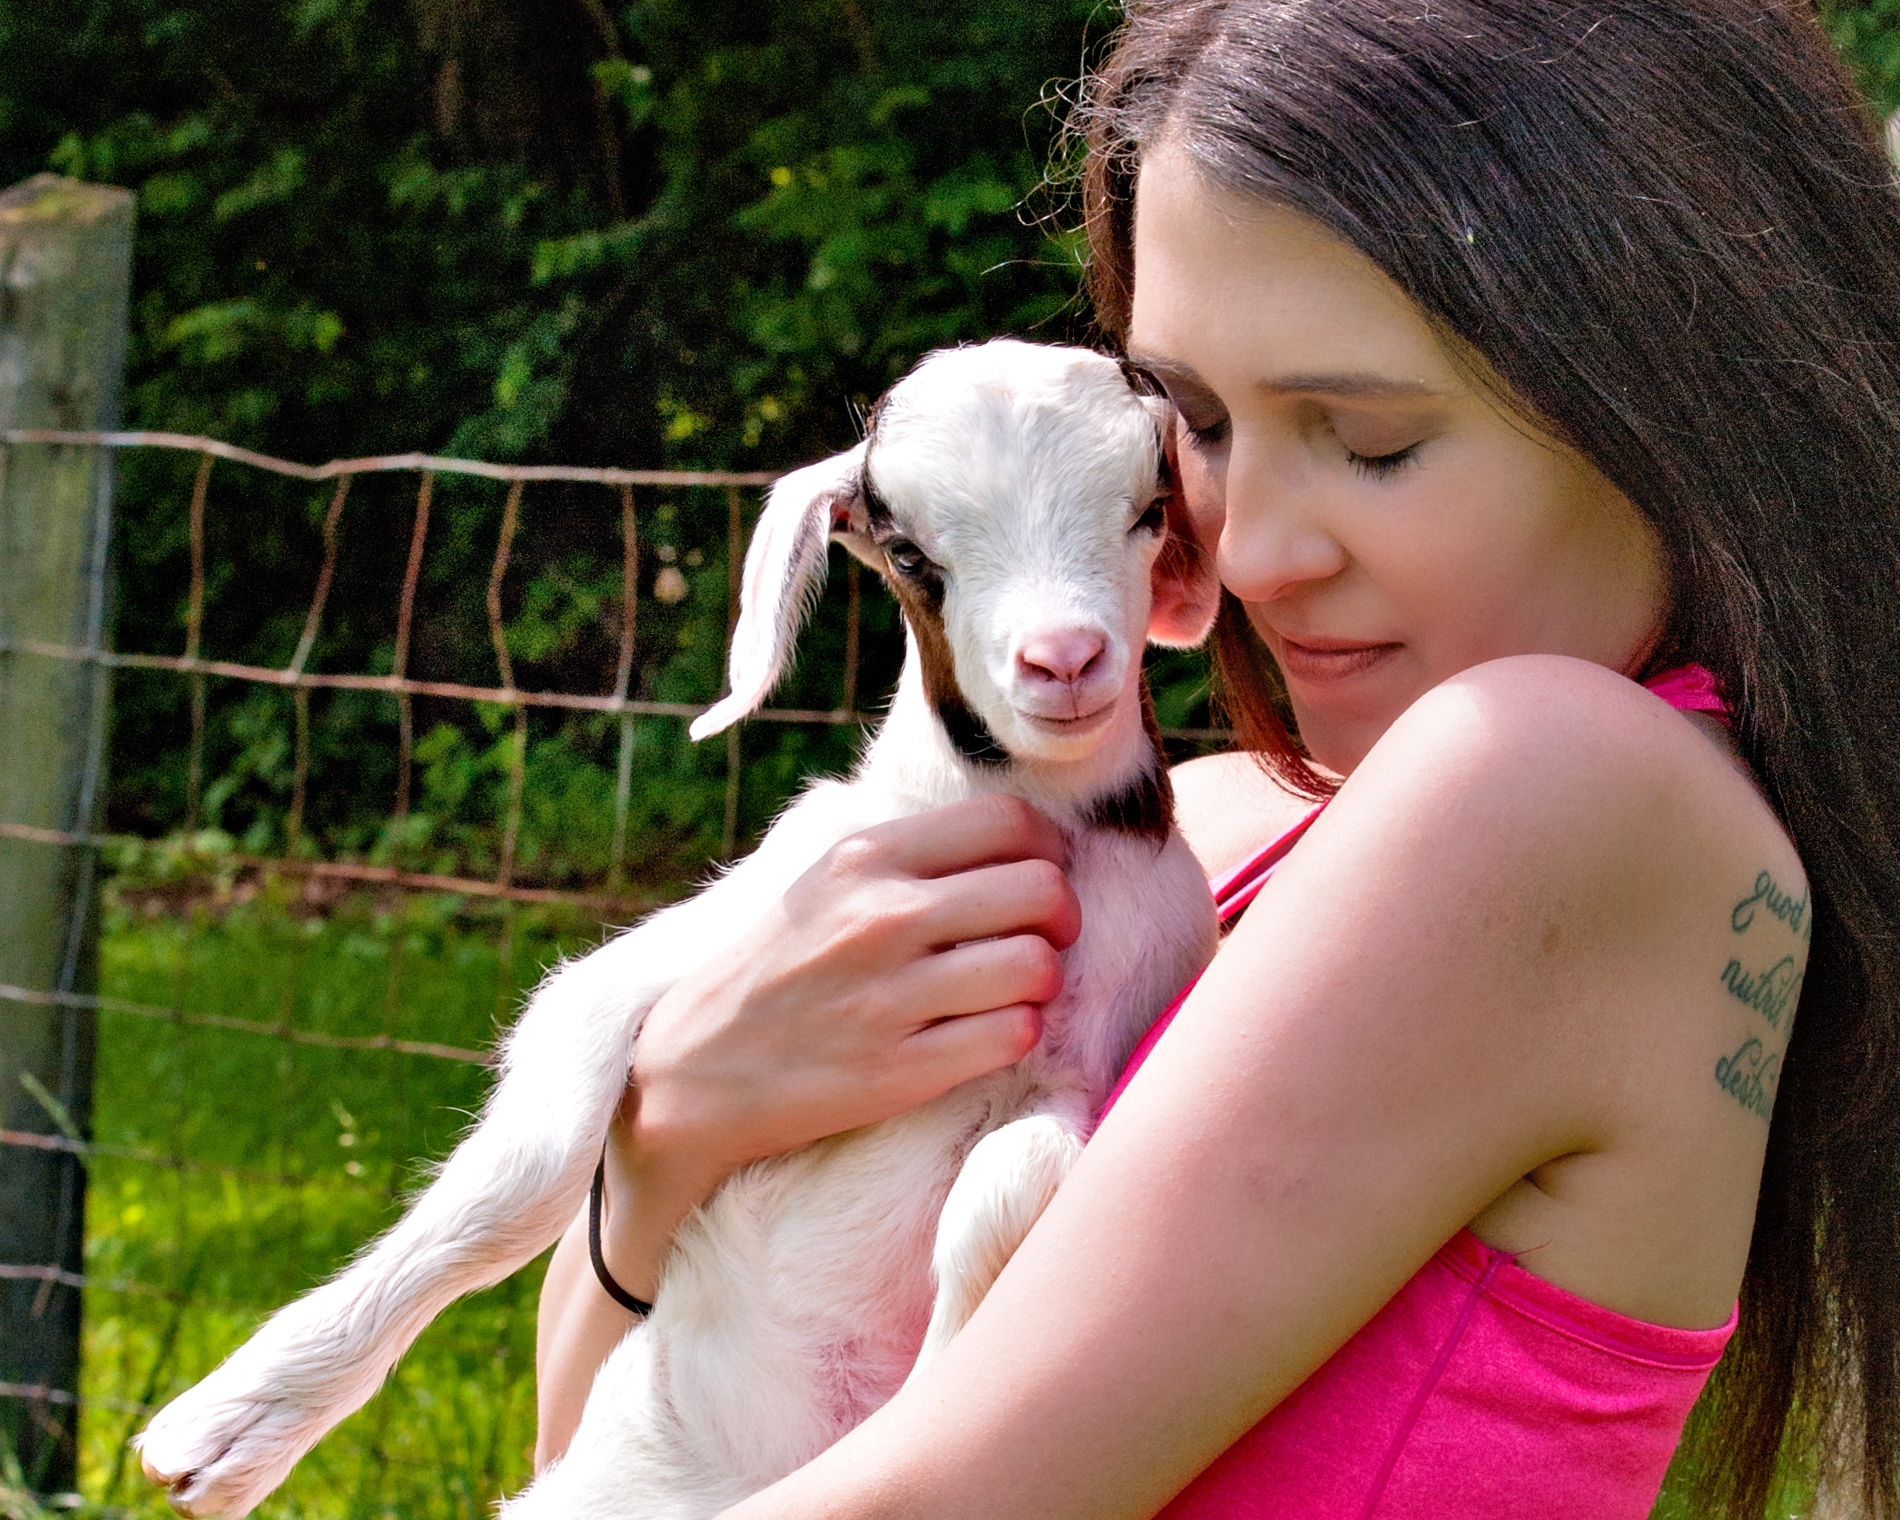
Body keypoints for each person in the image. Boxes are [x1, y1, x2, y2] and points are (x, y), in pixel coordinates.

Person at [534, 2, 1900, 1515]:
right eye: (1189, 417)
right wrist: (666, 1145)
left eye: (1373, 440)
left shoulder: (1561, 787)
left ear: (1684, 398)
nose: (1244, 549)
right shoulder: (1197, 833)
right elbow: (600, 1462)